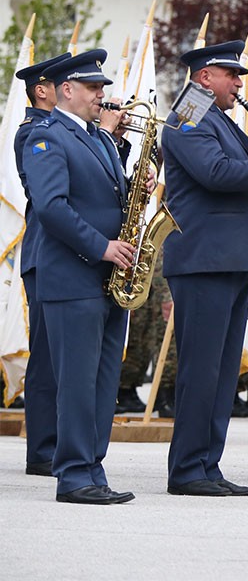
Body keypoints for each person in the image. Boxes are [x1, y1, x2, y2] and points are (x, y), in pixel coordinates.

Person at [160, 41, 248, 496]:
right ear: (205, 77)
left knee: (222, 372)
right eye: (231, 75)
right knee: (201, 370)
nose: (239, 84)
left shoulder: (219, 117)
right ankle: (187, 469)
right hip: (204, 259)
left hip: (228, 259)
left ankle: (208, 464)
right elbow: (216, 174)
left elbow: (239, 165)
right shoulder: (187, 113)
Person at [23, 49, 138, 504]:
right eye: (93, 87)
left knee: (103, 380)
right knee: (76, 380)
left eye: (102, 87)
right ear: (66, 90)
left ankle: (93, 469)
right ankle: (73, 475)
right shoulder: (45, 137)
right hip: (73, 277)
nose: (102, 95)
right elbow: (52, 207)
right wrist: (102, 246)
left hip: (106, 279)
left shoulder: (96, 138)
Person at [13, 51, 71, 477]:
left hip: (68, 256)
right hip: (44, 253)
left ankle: (62, 442)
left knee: (65, 355)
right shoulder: (34, 131)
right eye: (63, 83)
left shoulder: (68, 130)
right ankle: (42, 449)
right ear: (42, 90)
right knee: (47, 356)